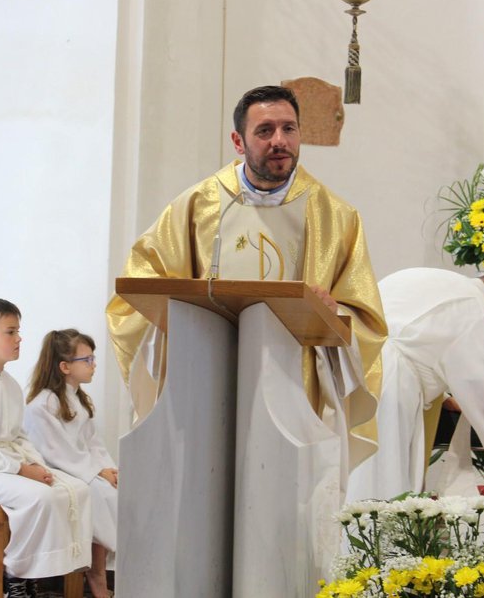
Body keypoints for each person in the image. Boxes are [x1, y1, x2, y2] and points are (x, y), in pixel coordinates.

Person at [107, 85, 387, 475]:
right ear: (238, 141)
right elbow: (137, 293)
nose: (279, 141)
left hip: (293, 390)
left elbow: (367, 319)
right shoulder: (197, 205)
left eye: (289, 129)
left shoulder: (336, 216)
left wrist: (332, 312)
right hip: (205, 382)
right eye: (265, 130)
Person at [346, 268, 484, 501]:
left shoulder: (440, 282)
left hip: (358, 366)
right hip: (390, 383)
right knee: (381, 475)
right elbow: (479, 382)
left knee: (357, 468)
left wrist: (444, 397)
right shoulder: (477, 307)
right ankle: (370, 535)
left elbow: (413, 336)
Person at [0, 299, 92, 597]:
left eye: (18, 331)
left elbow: (19, 437)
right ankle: (15, 579)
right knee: (39, 498)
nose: (19, 338)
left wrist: (38, 466)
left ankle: (40, 576)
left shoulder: (9, 383)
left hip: (2, 463)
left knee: (77, 489)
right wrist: (22, 470)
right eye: (11, 332)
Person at [25, 329, 118, 598]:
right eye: (86, 360)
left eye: (93, 358)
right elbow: (56, 451)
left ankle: (100, 574)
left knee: (112, 490)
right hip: (54, 470)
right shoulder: (42, 404)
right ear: (65, 366)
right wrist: (96, 472)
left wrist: (108, 469)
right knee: (100, 495)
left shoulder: (77, 399)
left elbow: (93, 444)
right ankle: (98, 578)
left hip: (79, 468)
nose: (94, 364)